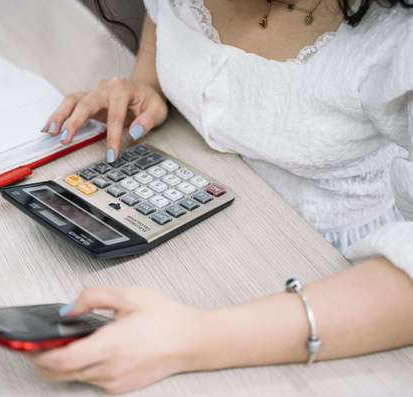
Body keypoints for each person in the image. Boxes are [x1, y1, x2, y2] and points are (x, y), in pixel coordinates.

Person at [33, 0, 413, 394]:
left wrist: (190, 340)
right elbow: (162, 20)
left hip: (341, 279)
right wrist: (146, 86)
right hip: (211, 230)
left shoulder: (399, 38)